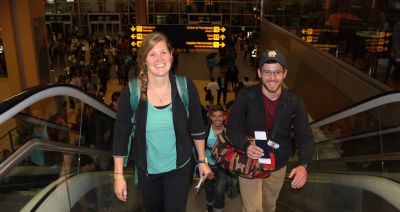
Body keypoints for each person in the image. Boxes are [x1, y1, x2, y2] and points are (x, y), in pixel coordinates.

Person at [112, 32, 211, 212]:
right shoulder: (132, 92)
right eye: (152, 54)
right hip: (147, 170)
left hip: (179, 168)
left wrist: (202, 160)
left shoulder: (185, 87)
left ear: (171, 56)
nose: (159, 58)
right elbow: (121, 134)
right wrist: (118, 175)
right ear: (144, 60)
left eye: (164, 52)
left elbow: (196, 127)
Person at [226, 50, 314, 212]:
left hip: (278, 164)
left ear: (284, 73)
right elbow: (232, 128)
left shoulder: (293, 101)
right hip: (250, 161)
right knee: (252, 209)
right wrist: (246, 146)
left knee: (269, 206)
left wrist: (304, 164)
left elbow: (305, 136)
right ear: (259, 72)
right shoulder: (246, 95)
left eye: (277, 73)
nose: (272, 78)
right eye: (267, 72)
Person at [204, 104, 227, 212]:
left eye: (220, 116)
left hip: (222, 165)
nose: (217, 119)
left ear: (224, 117)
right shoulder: (205, 131)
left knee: (219, 189)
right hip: (208, 164)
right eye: (214, 116)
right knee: (208, 188)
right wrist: (204, 166)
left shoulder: (228, 132)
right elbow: (200, 150)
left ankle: (218, 210)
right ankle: (209, 206)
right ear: (211, 117)